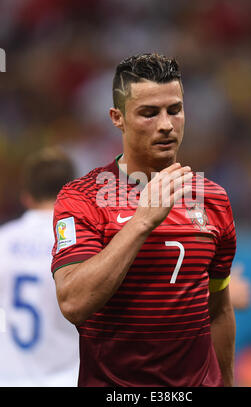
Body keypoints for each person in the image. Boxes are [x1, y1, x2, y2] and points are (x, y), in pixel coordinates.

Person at [52, 53, 237, 387]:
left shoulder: (214, 199)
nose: (166, 124)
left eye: (174, 110)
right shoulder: (80, 198)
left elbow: (220, 310)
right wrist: (141, 222)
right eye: (149, 113)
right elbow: (74, 303)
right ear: (117, 117)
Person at [0, 147, 80, 387]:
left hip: (9, 377)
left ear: (27, 195)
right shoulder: (83, 246)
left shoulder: (2, 240)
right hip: (67, 376)